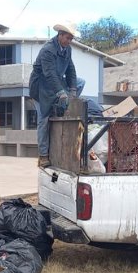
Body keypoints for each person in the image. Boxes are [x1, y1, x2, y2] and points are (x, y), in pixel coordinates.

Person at [29, 22, 85, 168]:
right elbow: (50, 74)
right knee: (43, 120)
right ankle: (42, 155)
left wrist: (72, 91)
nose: (69, 41)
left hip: (56, 82)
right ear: (60, 35)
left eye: (71, 39)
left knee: (80, 83)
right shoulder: (48, 50)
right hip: (41, 86)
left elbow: (71, 70)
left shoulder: (68, 50)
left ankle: (62, 108)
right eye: (67, 38)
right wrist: (61, 92)